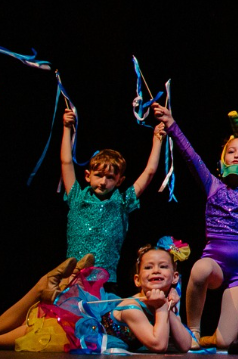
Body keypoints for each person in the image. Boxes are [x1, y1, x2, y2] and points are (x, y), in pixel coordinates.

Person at [153, 105, 238, 350]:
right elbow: (191, 156)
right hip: (214, 261)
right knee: (200, 269)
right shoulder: (213, 186)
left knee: (224, 343)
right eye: (231, 151)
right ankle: (193, 331)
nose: (236, 156)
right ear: (223, 157)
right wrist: (171, 125)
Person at [0, 238, 197, 354]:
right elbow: (158, 345)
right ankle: (38, 290)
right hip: (64, 329)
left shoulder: (164, 303)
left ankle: (65, 283)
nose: (156, 270)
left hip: (83, 328)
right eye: (148, 267)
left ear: (175, 277)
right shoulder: (131, 307)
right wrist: (162, 308)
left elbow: (185, 344)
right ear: (137, 280)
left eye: (163, 266)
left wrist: (168, 308)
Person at [56, 108, 165, 273]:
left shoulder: (123, 202)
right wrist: (66, 128)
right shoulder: (77, 197)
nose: (103, 182)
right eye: (98, 175)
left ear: (119, 181)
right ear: (87, 175)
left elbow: (149, 172)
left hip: (106, 280)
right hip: (73, 278)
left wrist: (157, 139)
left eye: (110, 178)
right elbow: (66, 162)